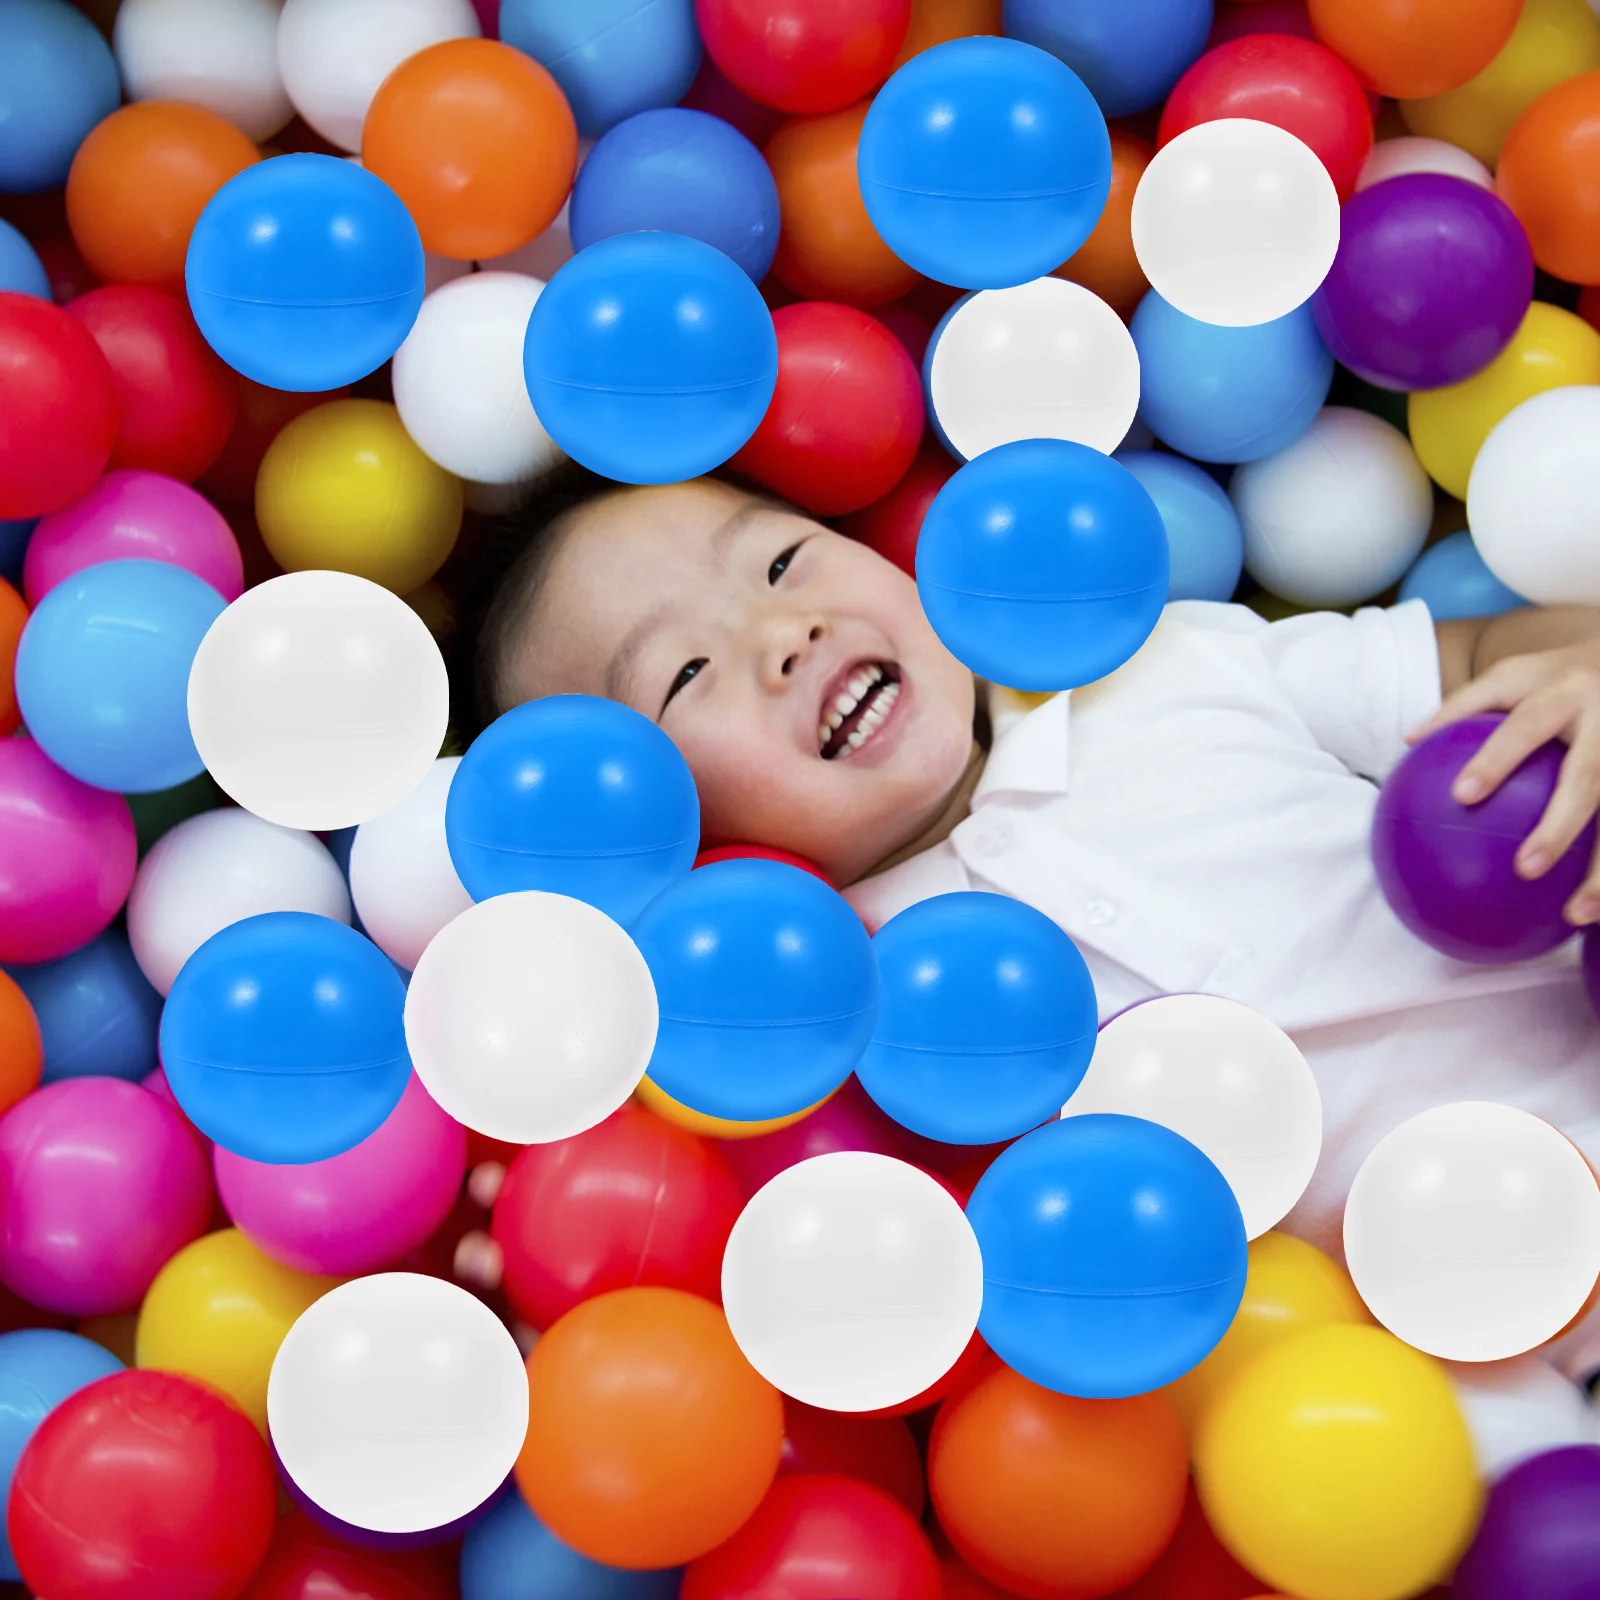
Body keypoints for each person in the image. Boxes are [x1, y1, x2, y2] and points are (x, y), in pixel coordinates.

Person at [447, 461, 1600, 1393]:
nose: (783, 632)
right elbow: (800, 1274)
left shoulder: (1160, 667)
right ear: (661, 838)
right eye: (685, 672)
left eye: (781, 559)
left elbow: (1485, 661)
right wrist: (581, 1278)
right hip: (1483, 1379)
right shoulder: (821, 1033)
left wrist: (1580, 678)